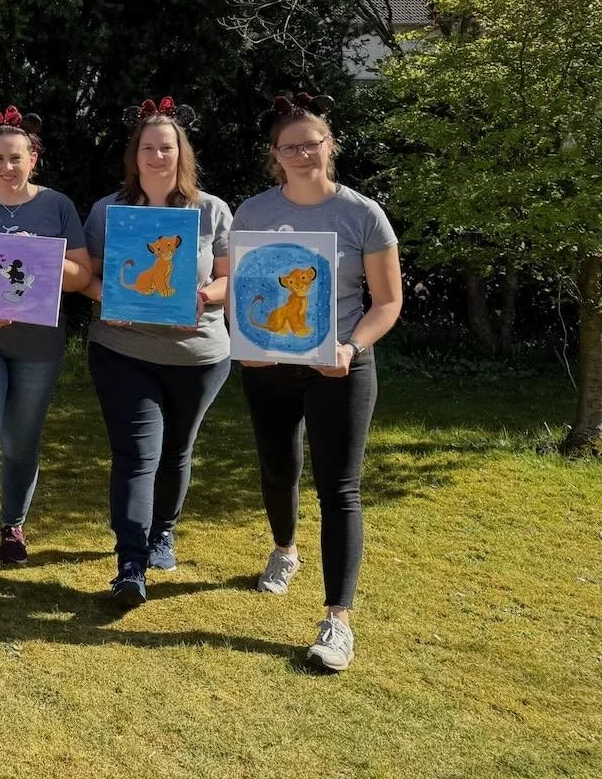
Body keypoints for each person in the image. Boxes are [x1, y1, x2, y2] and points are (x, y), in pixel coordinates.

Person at [233, 92, 403, 672]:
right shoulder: (252, 212)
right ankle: (284, 550)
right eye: (290, 146)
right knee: (279, 469)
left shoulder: (363, 214)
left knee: (340, 488)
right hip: (268, 366)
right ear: (274, 155)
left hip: (341, 369)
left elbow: (388, 302)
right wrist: (245, 342)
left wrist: (351, 346)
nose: (303, 153)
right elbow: (240, 288)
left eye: (313, 142)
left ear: (330, 145)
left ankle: (338, 619)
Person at [82, 97, 232, 606]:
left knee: (177, 453)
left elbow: (231, 279)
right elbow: (89, 277)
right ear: (135, 154)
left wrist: (205, 296)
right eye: (148, 147)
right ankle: (130, 563)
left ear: (181, 153)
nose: (157, 156)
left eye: (166, 147)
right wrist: (107, 297)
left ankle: (162, 530)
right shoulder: (108, 211)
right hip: (123, 349)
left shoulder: (211, 210)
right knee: (135, 455)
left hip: (199, 355)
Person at [0, 106, 91, 585]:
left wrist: (41, 255)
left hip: (38, 342)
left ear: (34, 159)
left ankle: (12, 525)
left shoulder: (58, 207)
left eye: (17, 157)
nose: (9, 167)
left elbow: (82, 277)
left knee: (22, 440)